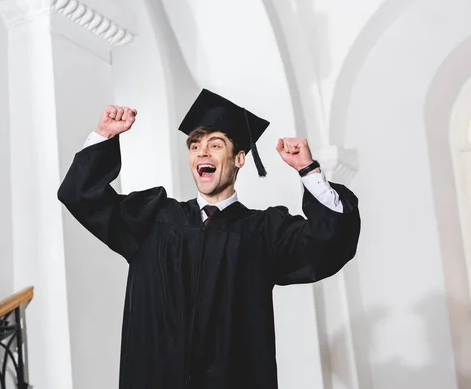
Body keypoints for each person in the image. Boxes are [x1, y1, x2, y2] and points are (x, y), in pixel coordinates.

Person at [58, 89, 361, 389]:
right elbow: (82, 195)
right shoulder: (153, 221)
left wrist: (308, 171)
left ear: (239, 158)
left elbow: (330, 242)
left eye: (215, 145)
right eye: (195, 146)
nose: (202, 152)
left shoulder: (264, 232)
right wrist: (104, 135)